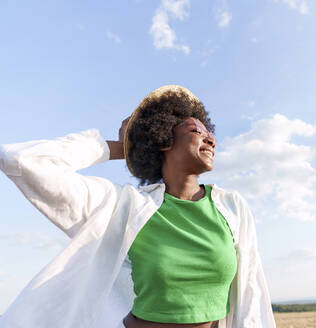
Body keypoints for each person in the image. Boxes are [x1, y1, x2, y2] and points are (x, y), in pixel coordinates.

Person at [0, 85, 276, 328]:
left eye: (210, 133)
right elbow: (21, 161)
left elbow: (251, 294)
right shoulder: (125, 206)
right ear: (164, 139)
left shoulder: (232, 207)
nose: (211, 139)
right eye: (196, 130)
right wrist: (120, 147)